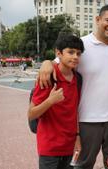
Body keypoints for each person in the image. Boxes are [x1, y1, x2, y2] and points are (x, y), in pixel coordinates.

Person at [38, 4, 108, 169]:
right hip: (86, 120)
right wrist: (46, 63)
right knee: (82, 165)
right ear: (98, 20)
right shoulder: (81, 45)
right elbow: (57, 63)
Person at [28, 34, 84, 169]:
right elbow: (31, 114)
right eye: (70, 52)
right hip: (50, 147)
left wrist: (77, 136)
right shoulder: (48, 78)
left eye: (78, 53)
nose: (75, 57)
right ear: (58, 53)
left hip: (69, 145)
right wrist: (50, 101)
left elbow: (75, 111)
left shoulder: (78, 79)